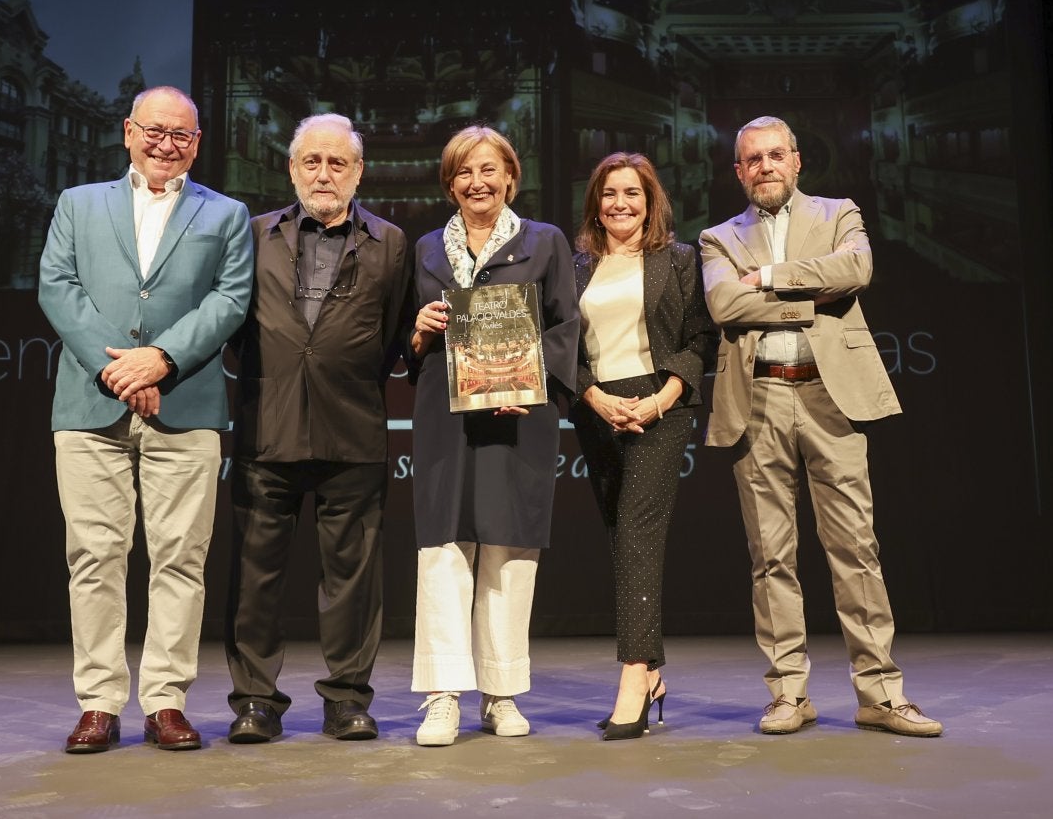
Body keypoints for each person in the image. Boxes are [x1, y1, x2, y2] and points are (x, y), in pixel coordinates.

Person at [698, 115, 943, 738]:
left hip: (831, 396)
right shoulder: (717, 237)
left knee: (856, 550)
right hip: (759, 399)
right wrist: (812, 296)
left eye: (775, 155)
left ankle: (881, 695)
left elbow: (854, 270)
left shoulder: (839, 214)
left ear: (797, 160)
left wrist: (773, 279)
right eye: (752, 160)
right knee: (771, 557)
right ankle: (788, 695)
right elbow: (726, 304)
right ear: (738, 171)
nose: (765, 167)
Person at [38, 85, 253, 753]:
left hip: (185, 405)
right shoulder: (78, 203)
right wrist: (119, 370)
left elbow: (232, 297)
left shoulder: (228, 213)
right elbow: (57, 284)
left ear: (198, 142)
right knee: (95, 557)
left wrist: (161, 359)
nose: (167, 143)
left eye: (182, 135)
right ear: (128, 132)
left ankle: (165, 700)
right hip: (89, 404)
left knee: (181, 560)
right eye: (155, 130)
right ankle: (99, 702)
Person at [222, 113, 412, 744]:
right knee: (254, 578)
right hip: (265, 429)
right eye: (312, 162)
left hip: (351, 428)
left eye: (338, 163)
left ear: (359, 172)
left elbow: (391, 340)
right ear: (292, 168)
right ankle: (254, 701)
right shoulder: (251, 235)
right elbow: (231, 330)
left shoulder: (390, 243)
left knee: (353, 580)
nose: (324, 173)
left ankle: (348, 700)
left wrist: (338, 372)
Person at [405, 125, 579, 746]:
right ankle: (443, 695)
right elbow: (405, 339)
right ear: (450, 184)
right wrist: (420, 330)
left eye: (489, 170)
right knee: (444, 552)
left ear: (510, 176)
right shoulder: (426, 248)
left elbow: (566, 326)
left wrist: (527, 386)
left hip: (518, 419)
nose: (477, 183)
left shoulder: (545, 242)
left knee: (507, 553)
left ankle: (501, 691)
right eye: (463, 173)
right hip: (444, 421)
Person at [569, 153, 717, 740]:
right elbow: (562, 345)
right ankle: (652, 669)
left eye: (632, 193)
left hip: (661, 406)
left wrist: (658, 401)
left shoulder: (678, 261)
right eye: (609, 194)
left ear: (652, 201)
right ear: (595, 203)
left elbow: (699, 337)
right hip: (597, 407)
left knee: (635, 528)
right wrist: (594, 397)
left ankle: (633, 676)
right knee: (619, 533)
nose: (620, 203)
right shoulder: (576, 265)